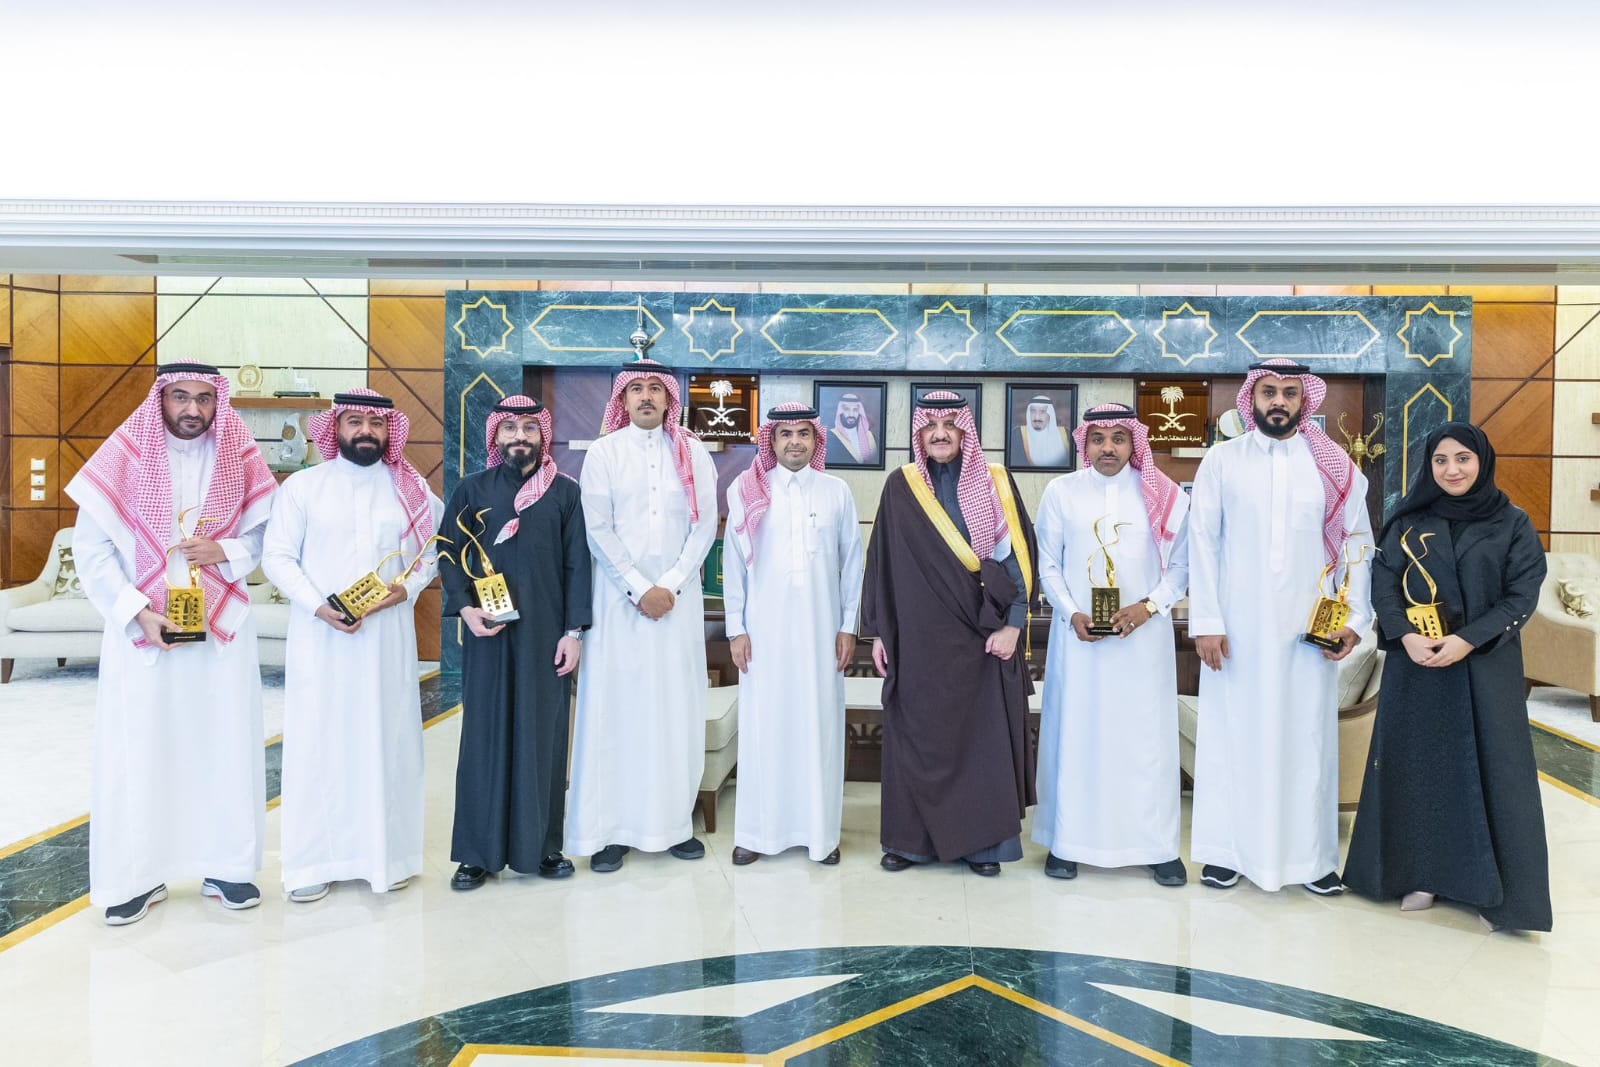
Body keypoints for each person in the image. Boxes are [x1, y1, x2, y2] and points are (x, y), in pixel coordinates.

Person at [65, 362, 277, 925]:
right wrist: (137, 614)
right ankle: (137, 876)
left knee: (225, 743)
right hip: (144, 634)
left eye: (204, 398)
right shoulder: (123, 455)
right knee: (141, 748)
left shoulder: (238, 456)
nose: (192, 409)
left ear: (217, 403)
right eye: (181, 396)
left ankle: (227, 867)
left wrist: (226, 551)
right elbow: (92, 551)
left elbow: (265, 533)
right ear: (160, 399)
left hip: (220, 630)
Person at [1343, 424, 1551, 932]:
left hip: (1485, 667)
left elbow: (1521, 596)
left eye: (1463, 458)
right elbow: (1383, 584)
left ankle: (1494, 894)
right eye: (1440, 460)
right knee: (1423, 772)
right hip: (1419, 667)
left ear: (1482, 461)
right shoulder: (1409, 521)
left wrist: (1467, 640)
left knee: (1493, 774)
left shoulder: (1512, 523)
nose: (1452, 470)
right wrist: (1404, 634)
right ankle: (1421, 875)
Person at [1187, 359, 1373, 895]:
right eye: (1269, 391)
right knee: (1232, 735)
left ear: (1304, 399)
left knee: (1306, 740)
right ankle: (1226, 854)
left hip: (1307, 632)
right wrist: (1207, 622)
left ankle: (1311, 860)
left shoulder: (1333, 466)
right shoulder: (1223, 460)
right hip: (1236, 631)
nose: (1279, 402)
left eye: (1290, 392)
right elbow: (1202, 542)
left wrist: (1355, 619)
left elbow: (1358, 543)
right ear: (1252, 397)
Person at [263, 389, 443, 902]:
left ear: (389, 430)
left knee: (387, 742)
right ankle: (313, 863)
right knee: (319, 744)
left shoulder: (411, 490)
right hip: (321, 640)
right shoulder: (304, 487)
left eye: (376, 423)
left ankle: (388, 858)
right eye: (355, 421)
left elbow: (433, 553)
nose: (366, 430)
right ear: (336, 427)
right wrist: (318, 605)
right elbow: (277, 557)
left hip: (386, 640)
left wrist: (406, 589)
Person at [861, 390, 1037, 876]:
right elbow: (882, 562)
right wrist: (879, 633)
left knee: (981, 741)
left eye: (950, 425)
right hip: (915, 638)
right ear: (918, 433)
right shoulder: (901, 485)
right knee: (916, 736)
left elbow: (1019, 560)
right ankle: (910, 844)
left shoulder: (996, 481)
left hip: (982, 636)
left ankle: (983, 846)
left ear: (966, 432)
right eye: (930, 426)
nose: (940, 434)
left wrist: (1014, 625)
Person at [568, 361, 718, 872]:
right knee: (616, 712)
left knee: (676, 711)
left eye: (656, 388)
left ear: (669, 398)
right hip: (618, 607)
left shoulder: (693, 451)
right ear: (623, 399)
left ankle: (674, 825)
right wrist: (638, 588)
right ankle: (609, 831)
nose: (646, 396)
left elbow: (705, 527)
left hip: (677, 606)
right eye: (636, 389)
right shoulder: (604, 453)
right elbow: (598, 529)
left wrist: (668, 586)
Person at [1033, 403, 1190, 886]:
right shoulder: (1062, 492)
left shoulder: (1164, 496)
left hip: (1144, 644)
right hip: (1079, 642)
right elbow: (1048, 565)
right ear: (1085, 443)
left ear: (1133, 443)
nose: (1108, 448)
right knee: (1077, 735)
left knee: (1145, 742)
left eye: (1119, 438)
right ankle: (1068, 843)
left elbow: (1182, 568)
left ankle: (1157, 847)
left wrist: (1148, 607)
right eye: (1099, 439)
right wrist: (1071, 612)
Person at [439, 396, 591, 890]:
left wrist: (573, 633)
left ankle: (543, 847)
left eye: (529, 427)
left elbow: (577, 564)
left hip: (546, 637)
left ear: (542, 435)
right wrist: (465, 608)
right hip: (488, 634)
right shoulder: (471, 490)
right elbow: (448, 554)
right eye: (510, 428)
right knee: (483, 737)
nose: (520, 437)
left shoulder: (565, 493)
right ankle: (476, 855)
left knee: (542, 738)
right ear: (496, 436)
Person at [723, 403, 865, 866]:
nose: (795, 442)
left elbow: (853, 562)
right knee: (764, 727)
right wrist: (736, 628)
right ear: (772, 440)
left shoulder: (836, 491)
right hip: (763, 635)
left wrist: (848, 626)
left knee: (818, 727)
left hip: (822, 633)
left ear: (815, 439)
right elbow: (733, 565)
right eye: (785, 434)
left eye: (803, 433)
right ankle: (756, 833)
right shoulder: (746, 489)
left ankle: (821, 835)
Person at [1008, 395, 1072, 467]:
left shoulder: (1066, 434)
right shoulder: (1017, 434)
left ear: (1050, 414)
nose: (1037, 417)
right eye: (1033, 411)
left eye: (1042, 412)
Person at [827, 392, 879, 465]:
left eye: (855, 410)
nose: (851, 414)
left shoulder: (872, 438)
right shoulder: (830, 437)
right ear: (840, 412)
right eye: (846, 409)